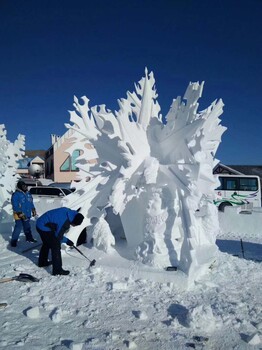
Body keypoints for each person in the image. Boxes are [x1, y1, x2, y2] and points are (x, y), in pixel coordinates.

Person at [36, 207, 84, 276]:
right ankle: (57, 270)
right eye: (75, 225)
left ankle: (42, 262)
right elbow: (58, 237)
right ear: (73, 221)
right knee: (56, 247)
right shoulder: (64, 222)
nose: (74, 226)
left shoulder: (70, 212)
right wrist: (67, 241)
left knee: (47, 243)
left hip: (40, 222)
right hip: (44, 227)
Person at [10, 180, 37, 247]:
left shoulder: (28, 194)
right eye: (23, 186)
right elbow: (15, 205)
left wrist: (33, 209)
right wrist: (20, 213)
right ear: (20, 187)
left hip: (27, 213)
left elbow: (31, 202)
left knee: (27, 226)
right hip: (18, 214)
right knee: (18, 227)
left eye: (25, 186)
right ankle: (14, 241)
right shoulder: (16, 194)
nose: (25, 187)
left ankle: (29, 238)